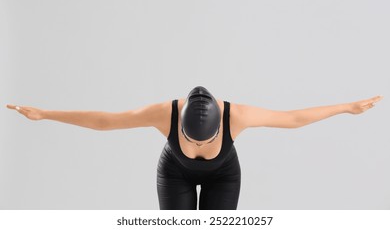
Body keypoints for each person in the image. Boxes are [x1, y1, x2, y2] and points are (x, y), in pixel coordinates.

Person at [6, 86, 383, 210]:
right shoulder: (162, 114)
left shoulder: (237, 115)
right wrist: (44, 114)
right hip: (175, 173)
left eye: (205, 140)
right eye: (191, 140)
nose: (198, 145)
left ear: (220, 123)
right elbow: (105, 121)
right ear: (180, 125)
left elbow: (294, 118)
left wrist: (346, 108)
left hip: (224, 175)